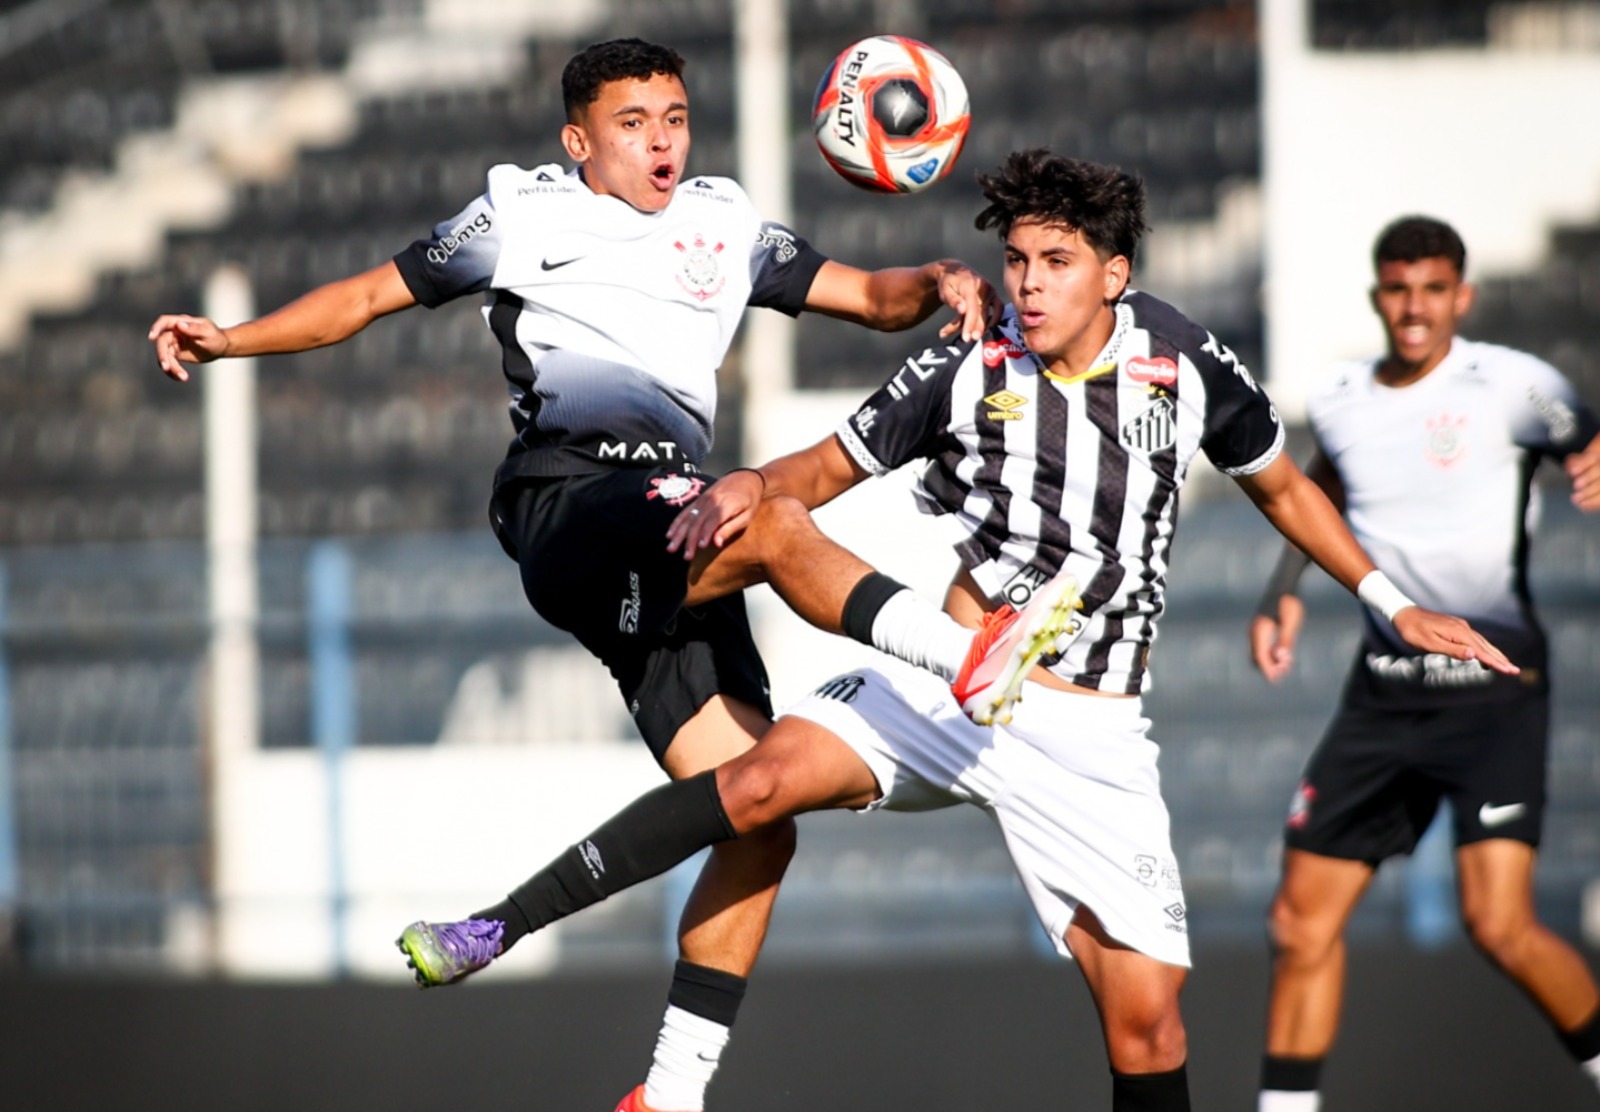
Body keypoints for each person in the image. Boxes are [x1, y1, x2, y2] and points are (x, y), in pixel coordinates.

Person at [409, 152, 1517, 1112]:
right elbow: (825, 469)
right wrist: (750, 484)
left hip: (1089, 730)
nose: (1027, 286)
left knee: (1150, 1029)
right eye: (1019, 260)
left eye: (1056, 264)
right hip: (944, 685)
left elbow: (1281, 487)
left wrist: (1389, 601)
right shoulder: (968, 361)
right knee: (758, 784)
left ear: (1113, 275)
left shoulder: (1180, 363)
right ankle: (501, 929)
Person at [146, 37, 1046, 1112]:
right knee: (772, 517)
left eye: (673, 117)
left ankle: (663, 1088)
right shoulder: (520, 215)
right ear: (580, 139)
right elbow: (366, 296)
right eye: (633, 123)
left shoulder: (723, 220)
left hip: (672, 520)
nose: (662, 141)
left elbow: (865, 294)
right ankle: (964, 655)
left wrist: (940, 278)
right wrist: (232, 341)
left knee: (758, 811)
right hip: (571, 506)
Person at [1249, 216, 1600, 1111]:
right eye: (1399, 289)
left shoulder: (1515, 385)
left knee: (1501, 924)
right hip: (1385, 697)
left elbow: (1584, 442)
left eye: (1433, 289)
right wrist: (1282, 586)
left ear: (1462, 297)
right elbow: (1314, 490)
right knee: (1298, 925)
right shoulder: (1341, 399)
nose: (1414, 308)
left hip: (1496, 688)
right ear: (1379, 296)